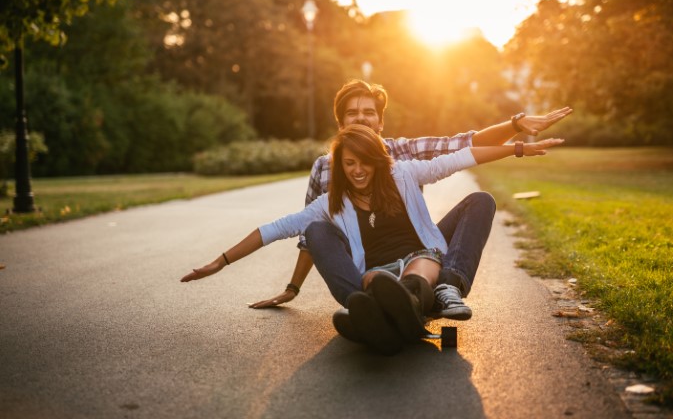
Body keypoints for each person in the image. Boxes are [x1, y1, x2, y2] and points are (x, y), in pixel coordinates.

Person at [181, 124, 565, 355]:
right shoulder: (330, 204)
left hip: (421, 260)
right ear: (341, 166)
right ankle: (375, 311)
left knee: (476, 205)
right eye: (349, 164)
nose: (358, 170)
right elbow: (274, 229)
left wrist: (516, 148)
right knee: (317, 235)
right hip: (376, 276)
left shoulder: (406, 174)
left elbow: (461, 157)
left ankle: (437, 294)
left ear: (377, 159)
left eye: (365, 161)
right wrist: (221, 261)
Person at [249, 79, 572, 321]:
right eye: (352, 114)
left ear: (380, 120)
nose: (361, 118)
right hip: (369, 271)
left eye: (368, 112)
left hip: (420, 257)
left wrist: (515, 126)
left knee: (479, 201)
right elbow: (312, 234)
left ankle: (446, 286)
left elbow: (465, 147)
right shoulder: (325, 167)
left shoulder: (403, 152)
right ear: (341, 123)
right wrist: (293, 288)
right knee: (328, 238)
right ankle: (373, 304)